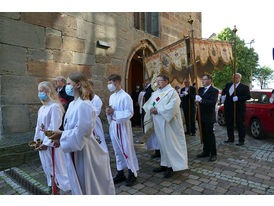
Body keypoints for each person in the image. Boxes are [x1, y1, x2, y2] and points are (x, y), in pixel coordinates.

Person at [49, 72, 115, 195]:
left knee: (86, 183)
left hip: (84, 151)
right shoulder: (73, 104)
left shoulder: (84, 105)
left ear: (78, 85)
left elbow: (83, 132)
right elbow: (70, 127)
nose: (66, 87)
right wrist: (60, 137)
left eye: (69, 84)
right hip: (75, 149)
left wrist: (62, 135)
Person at [143, 74, 188, 178]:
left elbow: (173, 107)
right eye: (157, 81)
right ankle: (164, 164)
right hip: (159, 123)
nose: (158, 83)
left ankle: (172, 166)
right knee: (162, 144)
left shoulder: (172, 93)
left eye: (160, 81)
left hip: (169, 124)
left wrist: (158, 110)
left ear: (166, 81)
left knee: (170, 145)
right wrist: (151, 108)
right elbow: (150, 104)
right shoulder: (157, 93)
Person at [34, 81, 71, 195]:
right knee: (46, 164)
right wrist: (37, 141)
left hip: (50, 140)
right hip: (42, 138)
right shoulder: (42, 108)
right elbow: (38, 126)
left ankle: (59, 186)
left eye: (42, 91)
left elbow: (53, 127)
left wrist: (46, 143)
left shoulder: (54, 107)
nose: (40, 93)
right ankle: (51, 184)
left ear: (49, 91)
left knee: (56, 164)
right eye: (39, 91)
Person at [106, 74, 139, 186]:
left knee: (126, 149)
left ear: (118, 82)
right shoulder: (112, 96)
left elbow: (129, 113)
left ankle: (132, 173)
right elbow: (111, 111)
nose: (109, 84)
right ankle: (120, 172)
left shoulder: (125, 97)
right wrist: (109, 113)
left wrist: (114, 113)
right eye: (108, 82)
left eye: (111, 82)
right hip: (114, 125)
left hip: (123, 126)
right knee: (117, 150)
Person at [221, 73, 251, 146]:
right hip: (228, 108)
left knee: (240, 124)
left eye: (237, 77)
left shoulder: (244, 87)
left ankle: (241, 140)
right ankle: (230, 138)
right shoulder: (228, 85)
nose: (235, 79)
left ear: (240, 78)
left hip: (239, 108)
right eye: (234, 77)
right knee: (229, 124)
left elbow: (248, 96)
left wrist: (238, 98)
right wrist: (223, 96)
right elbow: (224, 91)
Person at [195, 75, 219, 162]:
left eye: (204, 79)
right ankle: (206, 151)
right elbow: (196, 99)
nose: (202, 81)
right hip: (200, 115)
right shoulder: (200, 90)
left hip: (208, 116)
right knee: (203, 135)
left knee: (210, 135)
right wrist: (196, 99)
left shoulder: (214, 91)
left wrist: (201, 100)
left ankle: (213, 153)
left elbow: (212, 103)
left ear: (210, 80)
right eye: (202, 79)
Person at [89, 81, 109, 153]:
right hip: (87, 124)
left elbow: (96, 112)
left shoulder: (97, 99)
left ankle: (103, 153)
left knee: (98, 140)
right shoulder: (84, 98)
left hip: (94, 124)